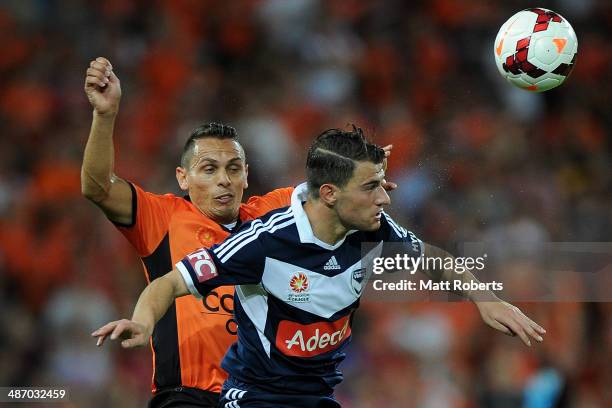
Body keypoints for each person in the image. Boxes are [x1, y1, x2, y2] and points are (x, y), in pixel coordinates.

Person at [93, 127, 546, 407]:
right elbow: (169, 282)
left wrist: (486, 298)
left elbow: (435, 257)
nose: (386, 198)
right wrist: (141, 321)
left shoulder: (368, 225)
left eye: (234, 167)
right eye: (374, 187)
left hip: (315, 398)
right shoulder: (260, 240)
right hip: (241, 397)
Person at [82, 57, 296, 407]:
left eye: (233, 168)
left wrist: (369, 173)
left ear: (246, 175)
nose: (223, 180)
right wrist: (104, 116)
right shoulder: (163, 216)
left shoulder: (272, 212)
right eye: (209, 169)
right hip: (188, 396)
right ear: (183, 177)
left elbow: (330, 195)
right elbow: (97, 188)